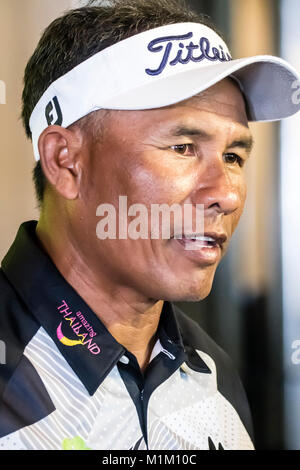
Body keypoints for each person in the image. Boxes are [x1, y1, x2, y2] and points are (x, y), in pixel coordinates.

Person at [0, 0, 299, 451]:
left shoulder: (214, 372)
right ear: (66, 161)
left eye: (234, 157)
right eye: (183, 147)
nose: (229, 194)